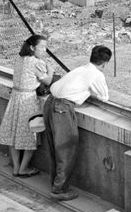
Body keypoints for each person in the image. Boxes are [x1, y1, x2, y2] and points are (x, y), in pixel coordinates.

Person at [43, 45, 112, 201]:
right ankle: (59, 189)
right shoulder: (96, 74)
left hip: (50, 103)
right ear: (105, 63)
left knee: (55, 147)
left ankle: (56, 183)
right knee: (66, 149)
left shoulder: (80, 69)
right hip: (62, 108)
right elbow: (104, 96)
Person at [0, 34, 54, 177]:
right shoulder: (36, 62)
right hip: (28, 100)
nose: (44, 50)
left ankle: (16, 168)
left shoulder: (20, 59)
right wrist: (51, 71)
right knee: (32, 135)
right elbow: (47, 81)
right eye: (42, 47)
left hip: (15, 98)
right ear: (33, 47)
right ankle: (23, 168)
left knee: (13, 134)